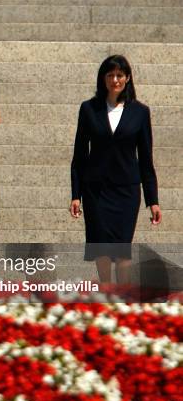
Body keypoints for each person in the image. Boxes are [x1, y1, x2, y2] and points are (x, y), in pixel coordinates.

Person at [70, 55, 161, 283]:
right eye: (110, 75)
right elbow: (80, 155)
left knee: (122, 249)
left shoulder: (140, 112)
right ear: (103, 78)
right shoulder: (89, 109)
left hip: (126, 191)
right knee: (100, 247)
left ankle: (124, 297)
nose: (115, 80)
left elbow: (146, 158)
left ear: (128, 78)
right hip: (95, 190)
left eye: (120, 75)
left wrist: (153, 200)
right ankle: (106, 292)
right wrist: (76, 195)